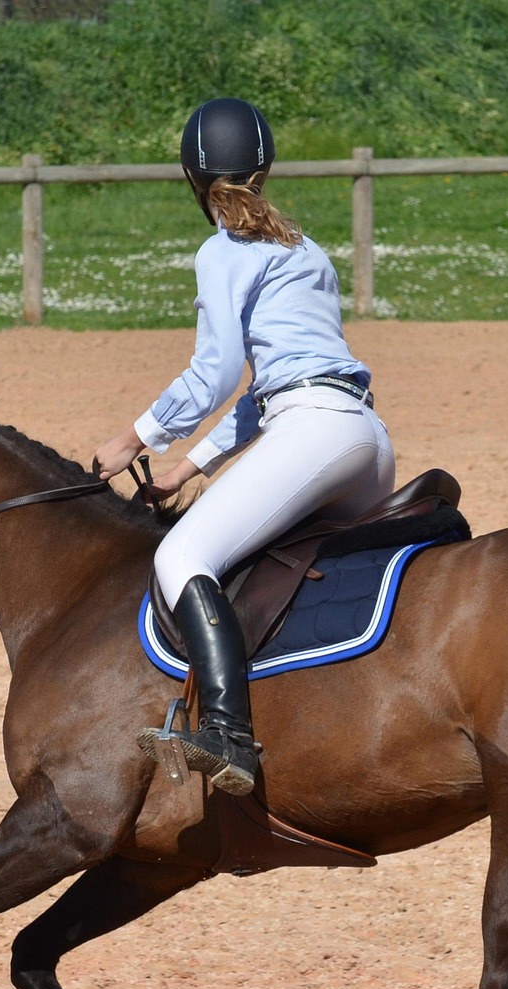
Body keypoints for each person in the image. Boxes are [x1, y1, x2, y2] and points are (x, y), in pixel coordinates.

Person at [92, 97, 395, 797]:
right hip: (365, 443)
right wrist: (187, 468)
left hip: (314, 431)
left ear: (193, 179)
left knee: (182, 555)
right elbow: (267, 394)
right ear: (265, 170)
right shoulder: (303, 247)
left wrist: (133, 438)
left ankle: (228, 733)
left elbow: (217, 374)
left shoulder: (223, 249)